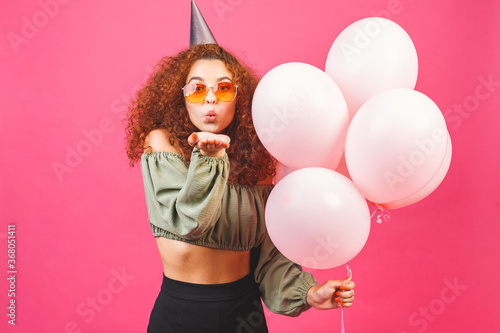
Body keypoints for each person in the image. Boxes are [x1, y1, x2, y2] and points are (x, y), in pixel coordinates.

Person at [125, 2, 355, 332]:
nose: (210, 99)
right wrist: (209, 160)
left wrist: (310, 294)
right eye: (197, 89)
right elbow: (188, 222)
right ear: (181, 96)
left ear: (239, 96)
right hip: (180, 314)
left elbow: (269, 255)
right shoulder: (162, 144)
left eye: (223, 88)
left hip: (243, 314)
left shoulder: (256, 162)